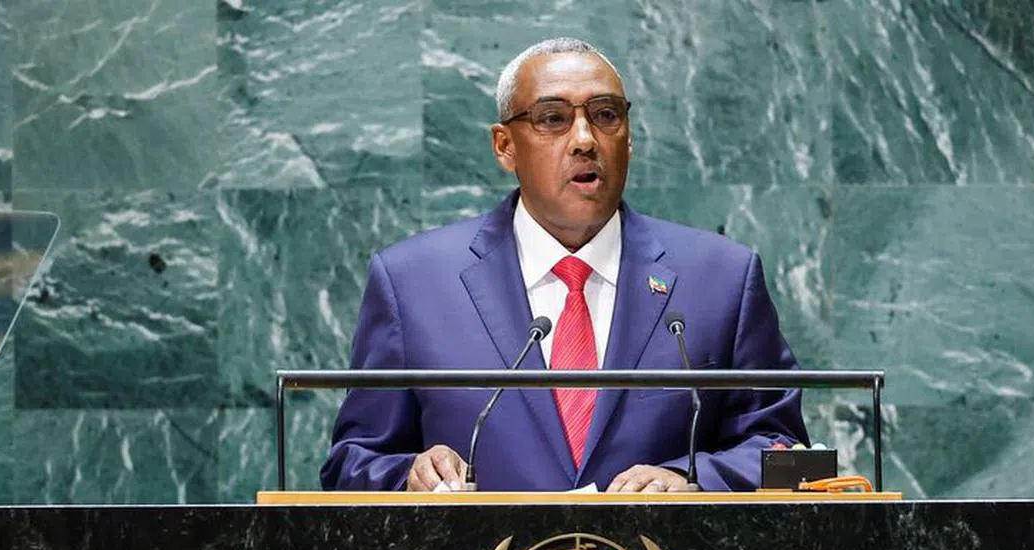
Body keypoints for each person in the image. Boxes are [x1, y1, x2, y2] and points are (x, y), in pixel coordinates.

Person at [320, 38, 808, 493]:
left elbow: (784, 451)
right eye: (552, 119)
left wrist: (690, 481)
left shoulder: (721, 278)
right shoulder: (413, 282)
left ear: (629, 137)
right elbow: (352, 461)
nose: (584, 139)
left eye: (605, 115)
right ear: (504, 146)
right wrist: (411, 474)